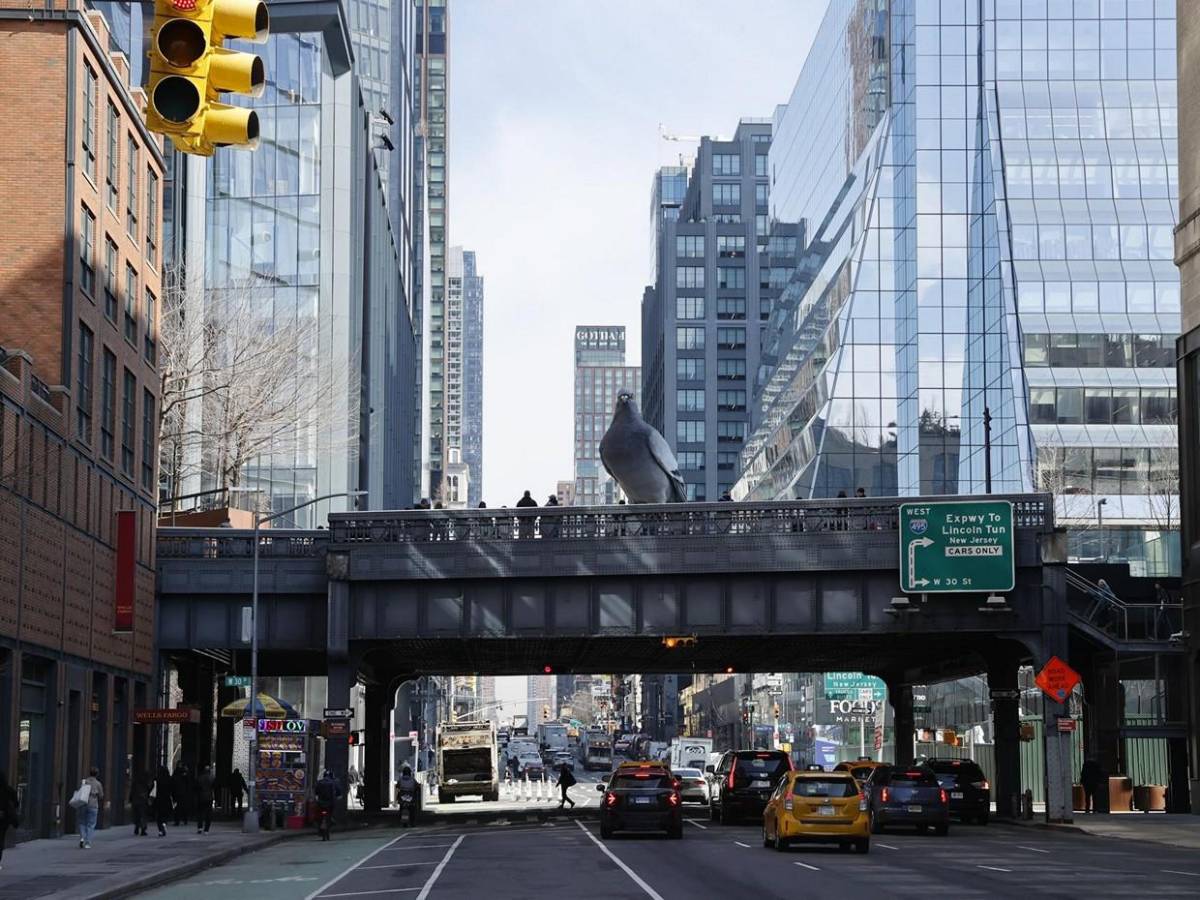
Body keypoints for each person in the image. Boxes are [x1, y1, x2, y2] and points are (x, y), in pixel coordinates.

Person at [79, 767, 104, 849]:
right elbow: (101, 796)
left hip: (83, 803)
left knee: (82, 822)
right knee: (91, 824)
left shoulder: (84, 782)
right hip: (93, 805)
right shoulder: (98, 784)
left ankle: (82, 838)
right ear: (97, 774)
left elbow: (80, 791)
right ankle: (87, 843)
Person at [314, 770, 342, 840]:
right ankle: (331, 820)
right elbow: (338, 792)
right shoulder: (334, 782)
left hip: (321, 803)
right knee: (331, 814)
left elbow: (316, 792)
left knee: (318, 816)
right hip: (330, 803)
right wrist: (338, 796)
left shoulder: (319, 782)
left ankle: (319, 827)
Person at [0, 770, 19, 870]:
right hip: (3, 819)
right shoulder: (8, 790)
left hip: (3, 818)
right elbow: (16, 802)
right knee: (1, 838)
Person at [153, 766, 173, 836]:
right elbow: (172, 789)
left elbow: (153, 788)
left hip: (159, 798)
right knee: (165, 814)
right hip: (166, 799)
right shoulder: (169, 779)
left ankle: (160, 830)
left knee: (159, 815)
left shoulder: (157, 779)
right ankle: (164, 823)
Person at [129, 769, 150, 836]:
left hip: (136, 801)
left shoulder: (135, 783)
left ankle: (137, 827)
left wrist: (130, 799)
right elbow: (148, 792)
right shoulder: (145, 783)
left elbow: (132, 792)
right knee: (143, 815)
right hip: (142, 801)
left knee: (137, 815)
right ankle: (143, 829)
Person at [195, 765, 215, 834]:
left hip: (201, 797)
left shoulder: (199, 778)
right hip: (209, 797)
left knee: (200, 813)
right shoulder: (212, 778)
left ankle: (200, 828)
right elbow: (214, 787)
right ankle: (206, 829)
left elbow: (196, 787)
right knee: (208, 814)